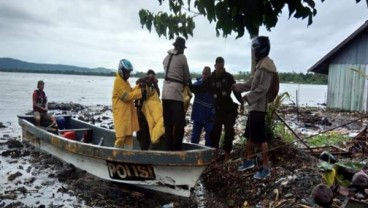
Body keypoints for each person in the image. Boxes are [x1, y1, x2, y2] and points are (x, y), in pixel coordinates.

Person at [235, 36, 276, 179]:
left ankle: (265, 167)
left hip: (259, 108)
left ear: (260, 49)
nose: (254, 51)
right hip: (254, 107)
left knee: (261, 138)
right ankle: (249, 160)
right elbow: (252, 83)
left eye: (255, 49)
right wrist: (238, 87)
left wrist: (247, 97)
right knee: (250, 136)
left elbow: (263, 89)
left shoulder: (266, 66)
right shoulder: (260, 65)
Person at [190, 57, 244, 161]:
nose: (221, 70)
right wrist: (189, 85)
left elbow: (236, 91)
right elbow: (200, 89)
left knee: (229, 134)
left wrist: (241, 101)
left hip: (228, 110)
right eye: (219, 68)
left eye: (222, 68)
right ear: (215, 66)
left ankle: (227, 157)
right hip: (218, 111)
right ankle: (214, 156)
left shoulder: (228, 77)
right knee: (215, 133)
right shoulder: (210, 79)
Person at [162, 37, 191, 151]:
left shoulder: (166, 57)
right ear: (181, 48)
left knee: (168, 124)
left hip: (165, 94)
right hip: (175, 94)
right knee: (179, 124)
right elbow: (186, 76)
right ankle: (177, 147)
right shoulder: (182, 57)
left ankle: (168, 147)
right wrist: (187, 83)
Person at [112, 59, 143, 149]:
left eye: (129, 72)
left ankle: (128, 156)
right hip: (121, 115)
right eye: (127, 72)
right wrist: (140, 92)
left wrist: (139, 85)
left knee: (129, 137)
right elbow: (126, 96)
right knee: (121, 137)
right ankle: (116, 155)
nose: (129, 74)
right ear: (122, 71)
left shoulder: (125, 82)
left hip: (127, 115)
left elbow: (131, 91)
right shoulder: (118, 81)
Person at [135, 69, 161, 150]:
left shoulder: (153, 88)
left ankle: (146, 150)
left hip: (149, 117)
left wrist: (155, 83)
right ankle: (143, 150)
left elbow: (158, 94)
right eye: (150, 77)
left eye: (152, 78)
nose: (151, 80)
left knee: (148, 136)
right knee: (141, 136)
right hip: (140, 116)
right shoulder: (141, 84)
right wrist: (146, 78)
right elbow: (137, 81)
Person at [190, 66, 214, 146]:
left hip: (209, 117)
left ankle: (208, 154)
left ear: (210, 75)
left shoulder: (213, 87)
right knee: (194, 137)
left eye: (206, 74)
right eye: (203, 74)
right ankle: (192, 153)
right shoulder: (197, 84)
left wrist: (213, 115)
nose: (204, 76)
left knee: (210, 136)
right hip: (198, 115)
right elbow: (188, 90)